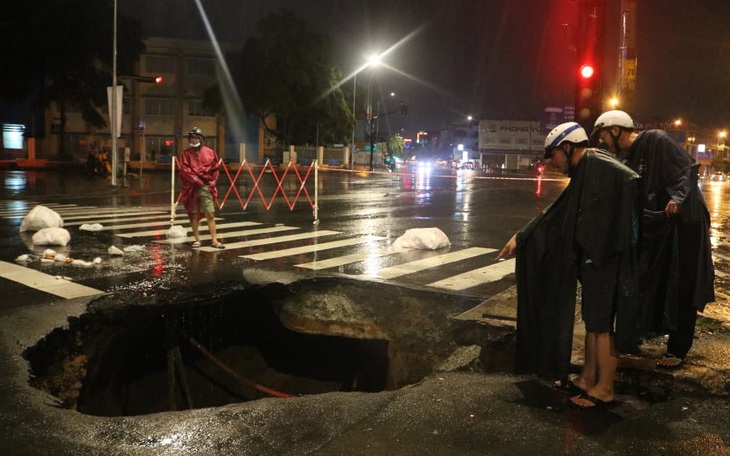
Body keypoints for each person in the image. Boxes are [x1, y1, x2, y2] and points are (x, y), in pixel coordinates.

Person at [497, 122, 641, 410]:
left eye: (553, 156)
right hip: (594, 258)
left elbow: (630, 181)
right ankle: (588, 378)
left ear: (567, 147)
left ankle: (604, 388)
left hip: (604, 259)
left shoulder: (596, 163)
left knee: (601, 327)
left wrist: (607, 240)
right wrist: (522, 237)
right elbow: (559, 212)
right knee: (592, 322)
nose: (552, 163)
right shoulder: (586, 169)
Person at [591, 110, 715, 369]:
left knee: (683, 282)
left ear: (615, 130)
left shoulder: (656, 139)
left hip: (686, 221)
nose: (602, 141)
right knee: (652, 279)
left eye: (603, 135)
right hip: (662, 224)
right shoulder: (626, 157)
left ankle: (678, 349)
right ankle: (641, 334)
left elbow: (688, 169)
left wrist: (677, 199)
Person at [178, 127, 225, 249]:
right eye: (191, 138)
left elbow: (215, 168)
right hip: (191, 187)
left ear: (201, 139)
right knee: (193, 214)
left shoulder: (210, 152)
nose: (193, 140)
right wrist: (196, 181)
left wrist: (213, 181)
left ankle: (214, 240)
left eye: (195, 138)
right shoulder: (186, 154)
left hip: (205, 186)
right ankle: (197, 239)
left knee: (210, 213)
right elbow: (185, 170)